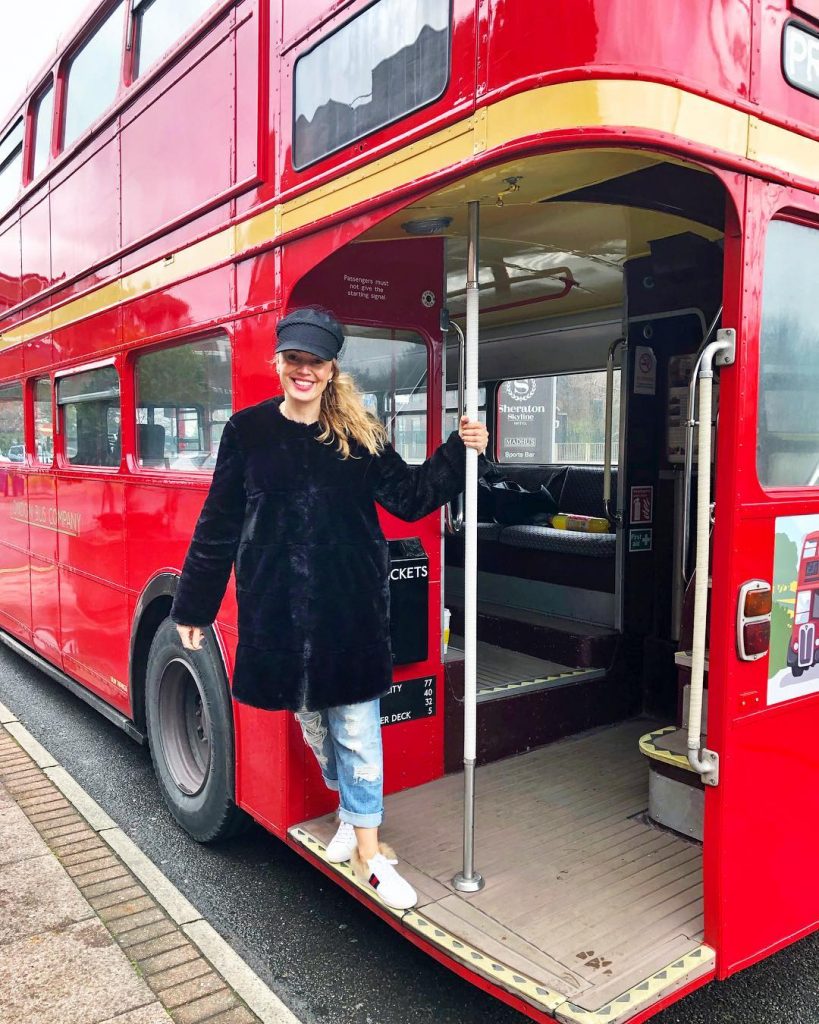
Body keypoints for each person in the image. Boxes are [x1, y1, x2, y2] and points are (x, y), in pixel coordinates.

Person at [171, 306, 489, 911]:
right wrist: (194, 606)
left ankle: (371, 851)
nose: (304, 370)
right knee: (313, 721)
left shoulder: (359, 433)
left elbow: (412, 496)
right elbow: (218, 525)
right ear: (280, 363)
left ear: (331, 367)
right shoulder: (246, 432)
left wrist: (456, 451)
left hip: (349, 610)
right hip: (278, 611)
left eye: (315, 361)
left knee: (358, 728)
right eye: (294, 359)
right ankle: (350, 812)